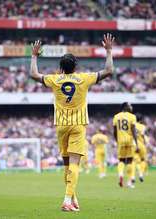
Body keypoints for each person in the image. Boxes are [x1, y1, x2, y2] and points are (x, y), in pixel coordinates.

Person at [30, 33, 114, 212]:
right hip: (77, 125)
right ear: (75, 66)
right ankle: (67, 200)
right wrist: (108, 51)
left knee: (67, 165)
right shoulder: (84, 78)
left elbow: (34, 74)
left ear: (60, 67)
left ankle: (73, 198)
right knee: (75, 164)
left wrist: (34, 56)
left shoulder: (55, 79)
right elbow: (108, 71)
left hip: (61, 126)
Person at [113, 102, 138, 188]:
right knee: (130, 161)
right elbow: (134, 130)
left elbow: (114, 131)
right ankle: (130, 182)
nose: (131, 107)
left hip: (121, 142)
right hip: (129, 141)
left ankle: (120, 175)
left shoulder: (116, 116)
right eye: (130, 106)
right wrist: (136, 143)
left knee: (121, 161)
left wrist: (117, 141)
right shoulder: (132, 117)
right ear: (125, 107)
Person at [132, 114, 148, 183]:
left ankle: (132, 176)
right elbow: (143, 135)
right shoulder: (143, 126)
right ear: (141, 120)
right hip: (141, 145)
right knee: (143, 160)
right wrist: (145, 143)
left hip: (133, 144)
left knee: (133, 161)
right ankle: (141, 174)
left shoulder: (132, 125)